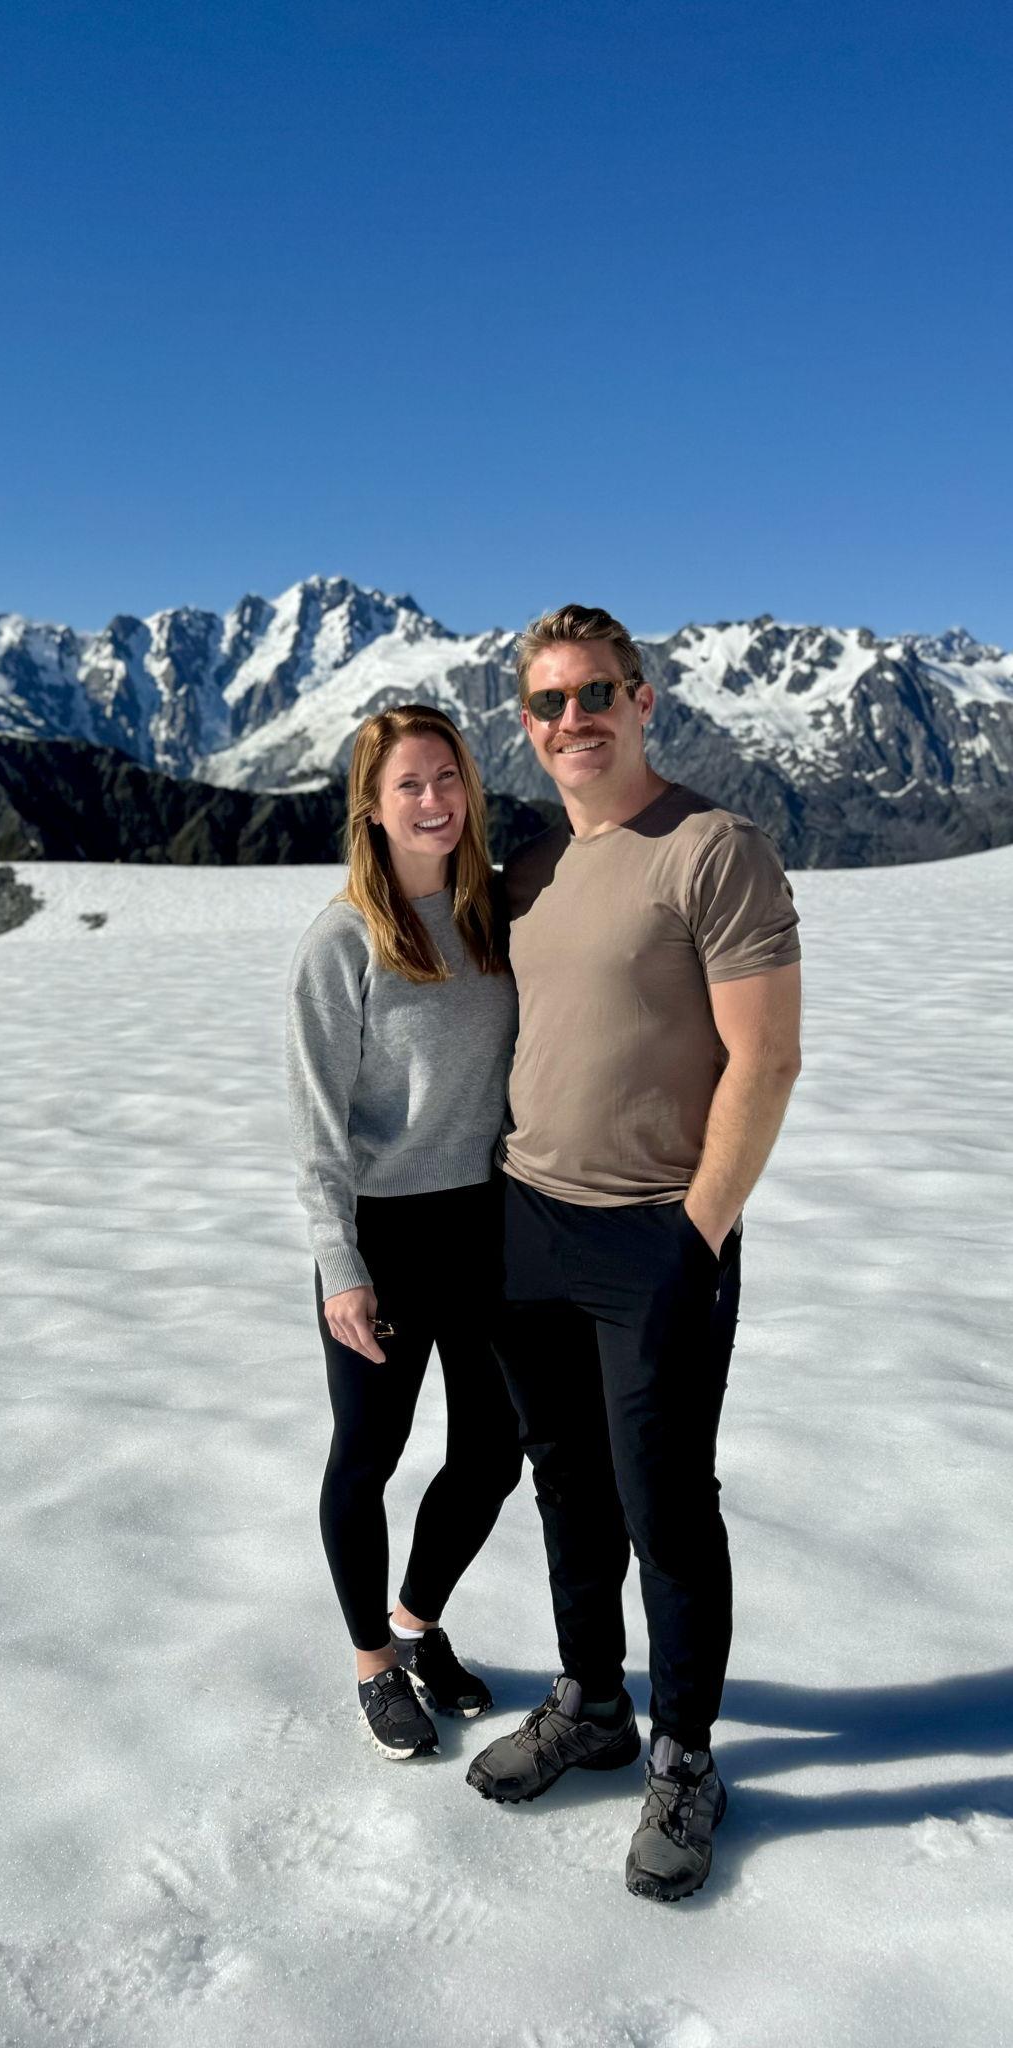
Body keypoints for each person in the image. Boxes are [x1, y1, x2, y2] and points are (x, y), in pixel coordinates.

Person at [465, 605, 802, 1903]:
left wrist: (694, 1233)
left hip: (654, 1237)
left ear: (640, 698)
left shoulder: (712, 851)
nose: (570, 721)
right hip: (526, 1226)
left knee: (662, 1501)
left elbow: (763, 1058)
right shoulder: (537, 863)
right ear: (525, 721)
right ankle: (589, 1703)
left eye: (593, 694)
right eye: (545, 703)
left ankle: (682, 1755)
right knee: (563, 1485)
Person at [286, 703, 523, 1762]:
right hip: (382, 1239)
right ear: (370, 812)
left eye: (446, 779)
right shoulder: (343, 943)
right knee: (367, 1457)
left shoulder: (491, 915)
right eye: (407, 787)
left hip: (489, 1228)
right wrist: (340, 1265)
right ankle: (372, 1661)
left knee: (491, 1452)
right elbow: (315, 1129)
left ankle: (418, 1625)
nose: (432, 801)